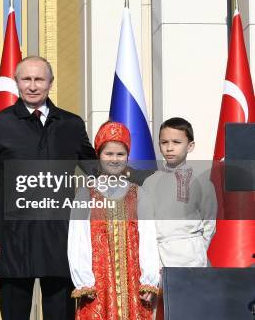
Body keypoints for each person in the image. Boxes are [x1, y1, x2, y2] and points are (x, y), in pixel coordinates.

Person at [0, 56, 97, 320]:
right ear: (17, 82)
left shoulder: (71, 124)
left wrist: (136, 181)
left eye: (39, 79)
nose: (32, 86)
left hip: (60, 237)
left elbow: (96, 171)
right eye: (26, 79)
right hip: (12, 240)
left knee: (61, 314)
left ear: (50, 83)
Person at [68, 121, 160, 319]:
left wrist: (149, 279)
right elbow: (78, 239)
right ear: (99, 156)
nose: (114, 159)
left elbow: (148, 238)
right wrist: (84, 280)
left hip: (133, 284)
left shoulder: (139, 194)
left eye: (120, 154)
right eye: (108, 154)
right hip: (98, 286)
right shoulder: (86, 194)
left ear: (127, 156)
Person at [140, 117, 217, 267]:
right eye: (164, 142)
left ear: (190, 146)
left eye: (176, 142)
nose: (169, 148)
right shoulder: (150, 182)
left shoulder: (201, 181)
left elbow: (210, 220)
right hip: (160, 256)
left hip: (192, 257)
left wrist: (197, 248)